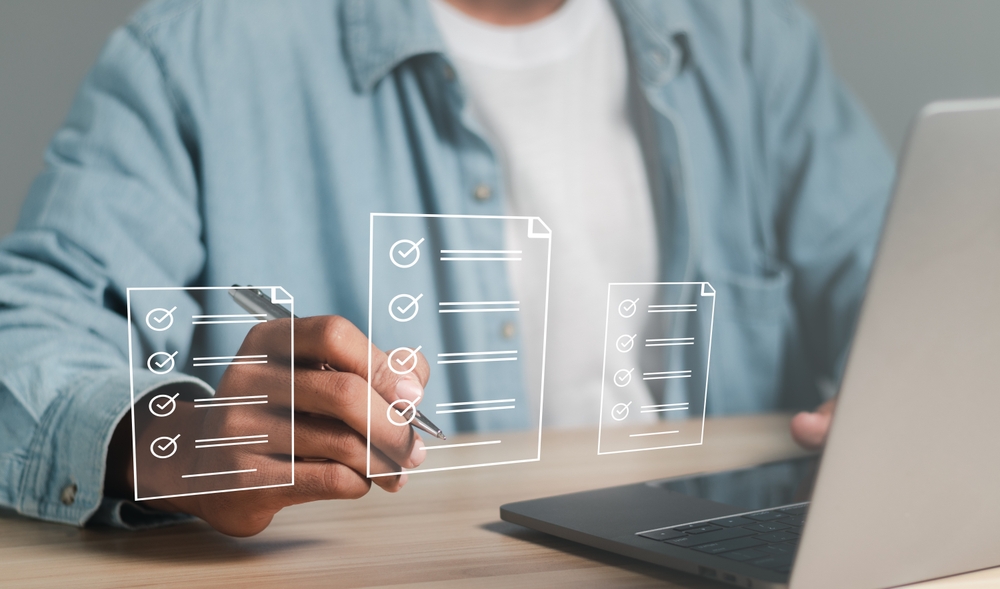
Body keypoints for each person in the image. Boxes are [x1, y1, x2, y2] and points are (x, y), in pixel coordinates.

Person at [0, 0, 893, 536]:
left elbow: (907, 285)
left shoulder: (750, 39)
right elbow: (25, 333)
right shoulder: (203, 52)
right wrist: (172, 442)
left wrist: (915, 391)